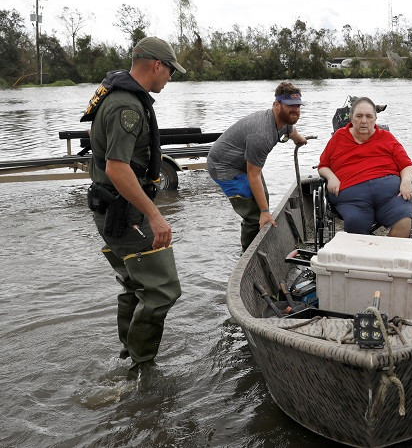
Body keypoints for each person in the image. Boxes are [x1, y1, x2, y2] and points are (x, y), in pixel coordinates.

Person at [82, 36, 186, 374]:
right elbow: (116, 167)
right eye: (170, 69)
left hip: (114, 209)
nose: (170, 76)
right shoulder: (126, 105)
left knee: (134, 284)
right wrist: (156, 216)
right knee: (162, 289)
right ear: (157, 65)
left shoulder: (119, 95)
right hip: (123, 213)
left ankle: (127, 356)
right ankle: (142, 369)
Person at [207, 82, 307, 251]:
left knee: (263, 199)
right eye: (291, 106)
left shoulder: (284, 120)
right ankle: (247, 254)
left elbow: (290, 130)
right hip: (224, 167)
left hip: (243, 163)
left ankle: (260, 237)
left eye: (298, 106)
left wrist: (299, 139)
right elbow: (253, 175)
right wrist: (265, 212)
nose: (295, 110)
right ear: (277, 105)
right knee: (254, 214)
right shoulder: (261, 134)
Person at [317, 97, 412, 237]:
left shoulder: (386, 137)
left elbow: (407, 165)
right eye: (359, 116)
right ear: (351, 118)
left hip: (389, 195)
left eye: (369, 116)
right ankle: (366, 254)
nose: (364, 120)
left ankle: (386, 256)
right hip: (352, 196)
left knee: (404, 221)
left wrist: (406, 181)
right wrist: (331, 177)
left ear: (375, 119)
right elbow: (323, 165)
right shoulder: (339, 137)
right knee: (356, 224)